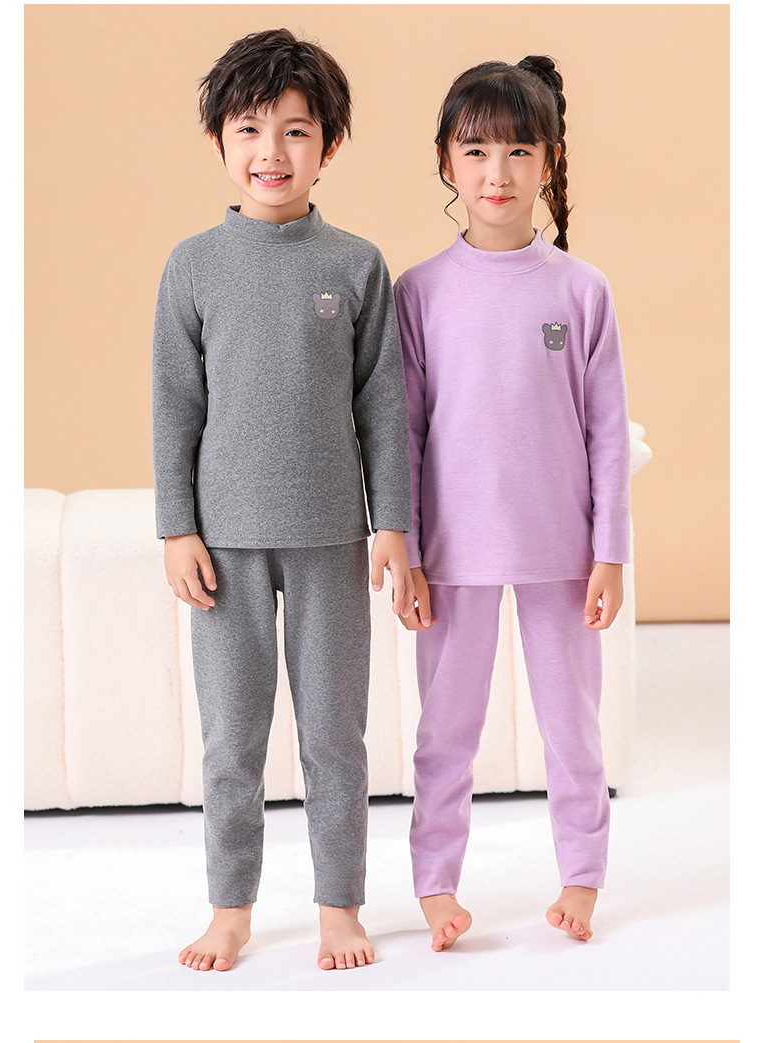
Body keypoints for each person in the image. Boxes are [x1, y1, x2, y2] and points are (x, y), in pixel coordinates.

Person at [152, 28, 413, 973]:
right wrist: (177, 527)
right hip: (222, 547)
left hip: (333, 538)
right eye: (250, 129)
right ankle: (231, 907)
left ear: (328, 145)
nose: (272, 152)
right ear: (219, 140)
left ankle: (340, 905)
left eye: (296, 131)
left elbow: (384, 407)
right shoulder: (192, 266)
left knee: (336, 734)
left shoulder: (357, 264)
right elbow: (175, 405)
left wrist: (393, 523)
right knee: (232, 739)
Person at [394, 55, 631, 952]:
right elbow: (403, 432)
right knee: (445, 732)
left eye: (519, 151)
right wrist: (407, 548)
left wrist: (610, 551)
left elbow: (606, 432)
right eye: (477, 150)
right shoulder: (418, 292)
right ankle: (435, 885)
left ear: (550, 161)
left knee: (573, 726)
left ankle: (581, 875)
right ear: (446, 163)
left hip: (562, 552)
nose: (498, 172)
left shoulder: (582, 289)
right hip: (452, 556)